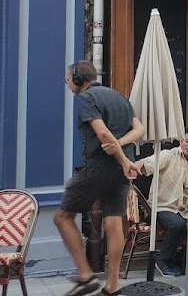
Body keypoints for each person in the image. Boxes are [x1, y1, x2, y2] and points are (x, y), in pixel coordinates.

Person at [56, 61, 143, 296]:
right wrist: (123, 151)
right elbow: (139, 129)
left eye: (67, 80)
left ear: (77, 80)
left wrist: (121, 157)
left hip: (98, 167)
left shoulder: (85, 98)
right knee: (114, 222)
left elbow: (103, 133)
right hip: (119, 171)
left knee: (62, 217)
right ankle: (112, 286)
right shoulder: (119, 97)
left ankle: (85, 275)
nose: (67, 84)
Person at [129, 127, 188, 276]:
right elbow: (146, 162)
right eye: (187, 141)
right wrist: (134, 167)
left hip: (185, 209)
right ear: (181, 140)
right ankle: (163, 260)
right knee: (177, 225)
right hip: (162, 207)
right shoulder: (168, 155)